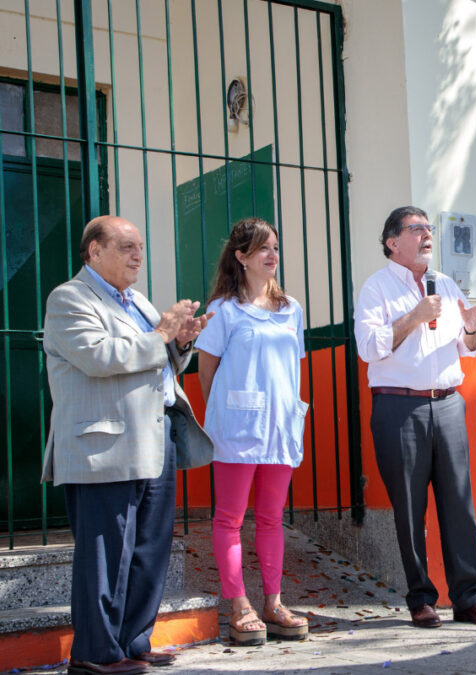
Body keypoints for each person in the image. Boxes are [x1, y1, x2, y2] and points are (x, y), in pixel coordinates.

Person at [41, 215, 212, 675]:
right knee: (105, 556)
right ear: (94, 251)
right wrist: (161, 334)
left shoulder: (136, 301)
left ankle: (132, 642)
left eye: (140, 246)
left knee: (149, 550)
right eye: (127, 246)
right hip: (104, 447)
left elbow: (159, 363)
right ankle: (95, 655)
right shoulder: (69, 298)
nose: (139, 255)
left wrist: (180, 342)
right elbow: (101, 357)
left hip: (155, 439)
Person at [354, 206, 476, 628]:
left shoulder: (445, 283)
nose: (426, 235)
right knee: (409, 507)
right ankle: (421, 598)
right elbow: (369, 348)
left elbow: (468, 347)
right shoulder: (376, 288)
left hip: (449, 402)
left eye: (428, 228)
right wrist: (415, 316)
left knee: (459, 503)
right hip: (399, 407)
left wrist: (472, 327)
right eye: (416, 228)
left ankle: (469, 598)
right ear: (392, 242)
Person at [196, 218, 310, 645]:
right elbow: (207, 370)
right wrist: (227, 412)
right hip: (237, 428)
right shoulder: (222, 310)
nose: (272, 255)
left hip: (280, 426)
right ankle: (238, 604)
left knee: (271, 518)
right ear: (240, 257)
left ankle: (274, 603)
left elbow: (289, 370)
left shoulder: (292, 309)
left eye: (275, 247)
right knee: (229, 518)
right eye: (262, 248)